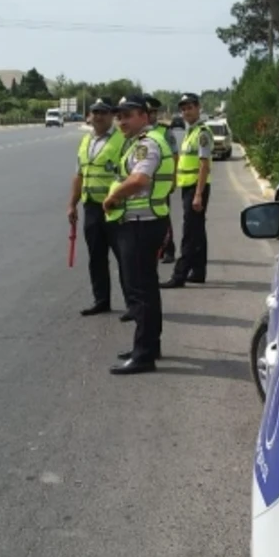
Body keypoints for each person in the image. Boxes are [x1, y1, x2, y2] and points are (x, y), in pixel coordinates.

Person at [102, 95, 175, 375]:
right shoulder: (142, 142)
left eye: (128, 115)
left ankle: (144, 354)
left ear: (145, 116)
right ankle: (148, 346)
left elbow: (140, 179)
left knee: (141, 291)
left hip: (141, 225)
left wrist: (112, 198)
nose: (121, 121)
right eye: (119, 116)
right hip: (145, 222)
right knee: (147, 289)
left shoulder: (146, 145)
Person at [68, 97, 127, 316]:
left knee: (124, 258)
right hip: (92, 207)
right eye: (95, 112)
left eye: (103, 112)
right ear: (90, 115)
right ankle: (101, 300)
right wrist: (72, 205)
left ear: (112, 115)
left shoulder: (122, 140)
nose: (98, 116)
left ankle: (133, 304)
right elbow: (79, 175)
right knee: (96, 257)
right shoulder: (86, 141)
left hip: (116, 208)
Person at [162, 93, 213, 288]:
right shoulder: (190, 132)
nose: (186, 112)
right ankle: (199, 271)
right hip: (188, 187)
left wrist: (198, 194)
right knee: (198, 231)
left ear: (198, 108)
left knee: (189, 232)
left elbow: (204, 165)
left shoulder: (201, 133)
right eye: (183, 109)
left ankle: (179, 275)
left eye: (190, 107)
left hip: (195, 188)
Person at [144, 95, 178, 265]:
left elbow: (174, 156)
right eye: (148, 112)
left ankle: (168, 249)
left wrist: (173, 180)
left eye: (153, 112)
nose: (151, 115)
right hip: (142, 184)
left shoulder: (165, 131)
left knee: (163, 216)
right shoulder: (138, 132)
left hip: (160, 184)